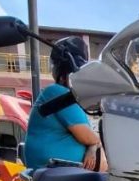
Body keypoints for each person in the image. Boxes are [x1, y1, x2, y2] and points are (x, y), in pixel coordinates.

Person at [23, 37, 104, 170]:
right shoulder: (57, 93)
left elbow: (91, 139)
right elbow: (87, 137)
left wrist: (92, 147)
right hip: (55, 173)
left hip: (64, 173)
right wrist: (94, 144)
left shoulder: (65, 95)